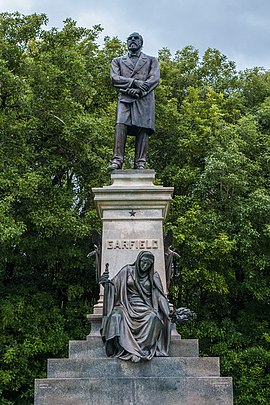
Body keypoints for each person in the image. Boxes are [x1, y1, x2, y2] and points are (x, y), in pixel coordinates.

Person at [100, 251, 171, 362]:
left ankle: (140, 350)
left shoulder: (154, 276)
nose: (145, 265)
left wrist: (169, 313)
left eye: (149, 264)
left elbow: (160, 296)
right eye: (143, 262)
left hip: (145, 307)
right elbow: (114, 286)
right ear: (138, 260)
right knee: (115, 315)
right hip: (125, 305)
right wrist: (106, 283)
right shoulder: (127, 271)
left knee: (154, 317)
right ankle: (117, 348)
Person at [108, 32, 160, 170]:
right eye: (130, 38)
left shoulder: (151, 60)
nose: (132, 40)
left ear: (141, 43)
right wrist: (134, 83)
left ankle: (140, 163)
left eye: (136, 38)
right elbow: (114, 79)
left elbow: (154, 79)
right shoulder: (117, 61)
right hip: (125, 98)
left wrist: (140, 91)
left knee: (143, 128)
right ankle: (117, 160)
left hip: (144, 98)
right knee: (120, 125)